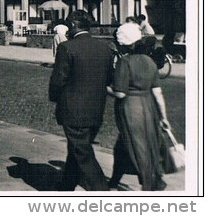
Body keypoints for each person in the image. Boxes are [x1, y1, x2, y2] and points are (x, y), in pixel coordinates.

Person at [49, 10, 115, 191]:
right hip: (96, 109)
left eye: (68, 26)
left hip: (73, 110)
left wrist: (56, 99)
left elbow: (58, 81)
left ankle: (101, 191)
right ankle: (67, 184)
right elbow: (109, 78)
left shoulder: (67, 48)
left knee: (82, 152)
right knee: (78, 147)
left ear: (73, 26)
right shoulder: (104, 47)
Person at [107, 36, 171, 191]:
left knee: (136, 146)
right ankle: (116, 181)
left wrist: (104, 89)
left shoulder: (125, 62)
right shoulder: (151, 63)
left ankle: (149, 183)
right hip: (148, 106)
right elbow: (157, 93)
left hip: (130, 107)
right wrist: (164, 117)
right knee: (129, 146)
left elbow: (120, 93)